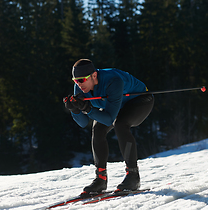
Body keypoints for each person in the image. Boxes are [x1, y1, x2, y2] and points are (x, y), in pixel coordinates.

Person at [63, 59, 154, 193]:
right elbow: (82, 123)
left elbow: (109, 119)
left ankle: (133, 176)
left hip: (140, 100)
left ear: (94, 76)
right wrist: (75, 110)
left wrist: (87, 109)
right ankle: (100, 179)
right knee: (97, 129)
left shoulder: (113, 80)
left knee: (121, 124)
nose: (79, 84)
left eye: (82, 80)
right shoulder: (80, 87)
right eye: (76, 80)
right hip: (113, 104)